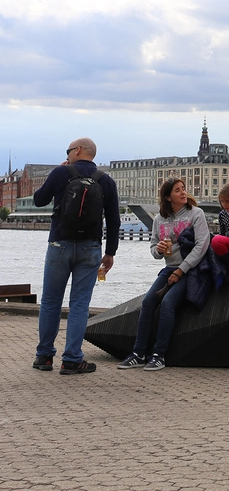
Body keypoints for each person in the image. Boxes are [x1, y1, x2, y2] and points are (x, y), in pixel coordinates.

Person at [33, 138, 120, 374]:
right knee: (79, 304)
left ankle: (44, 357)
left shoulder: (61, 173)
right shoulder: (106, 180)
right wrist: (110, 252)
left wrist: (59, 171)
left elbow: (38, 200)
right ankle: (71, 359)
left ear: (78, 150)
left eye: (68, 151)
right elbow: (114, 220)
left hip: (59, 245)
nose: (68, 154)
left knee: (51, 301)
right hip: (90, 249)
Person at [117, 178, 210, 371]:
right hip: (169, 268)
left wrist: (181, 270)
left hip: (190, 270)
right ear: (168, 197)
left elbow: (202, 245)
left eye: (184, 189)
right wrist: (158, 250)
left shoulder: (196, 214)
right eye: (178, 190)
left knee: (168, 303)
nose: (183, 193)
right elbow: (153, 249)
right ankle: (138, 353)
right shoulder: (159, 219)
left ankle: (159, 355)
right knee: (148, 302)